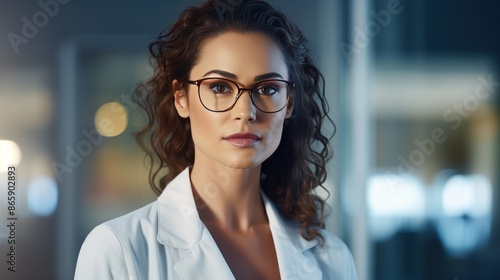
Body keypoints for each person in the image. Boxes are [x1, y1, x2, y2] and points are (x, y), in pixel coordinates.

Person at [74, 0, 358, 279]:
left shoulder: (331, 258)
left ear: (290, 103)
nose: (246, 112)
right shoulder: (118, 249)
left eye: (268, 89)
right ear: (181, 98)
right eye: (220, 87)